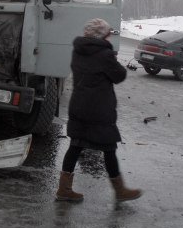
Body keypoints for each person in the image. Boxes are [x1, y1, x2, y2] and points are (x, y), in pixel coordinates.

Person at [56, 18, 142, 203]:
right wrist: (113, 58)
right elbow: (119, 75)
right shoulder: (104, 54)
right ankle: (120, 191)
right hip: (98, 109)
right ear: (103, 35)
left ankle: (64, 189)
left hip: (79, 106)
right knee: (109, 148)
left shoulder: (78, 51)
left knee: (75, 146)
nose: (110, 37)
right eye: (109, 34)